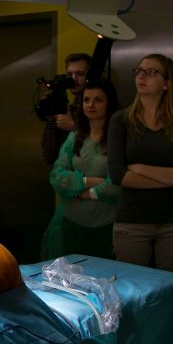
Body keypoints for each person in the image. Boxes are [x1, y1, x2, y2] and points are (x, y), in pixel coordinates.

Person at [107, 54, 173, 273]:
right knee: (133, 286)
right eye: (138, 71)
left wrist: (139, 168)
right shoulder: (121, 120)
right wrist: (172, 175)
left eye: (151, 72)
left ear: (166, 83)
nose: (141, 76)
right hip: (132, 221)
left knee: (172, 286)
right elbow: (119, 175)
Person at [47, 78, 121, 259]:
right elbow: (57, 177)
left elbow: (117, 185)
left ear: (109, 103)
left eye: (98, 100)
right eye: (86, 100)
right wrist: (88, 181)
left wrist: (81, 193)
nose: (91, 105)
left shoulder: (118, 140)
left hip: (106, 226)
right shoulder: (74, 138)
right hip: (70, 225)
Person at [40, 52, 93, 165]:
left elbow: (102, 154)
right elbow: (49, 157)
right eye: (69, 74)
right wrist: (51, 120)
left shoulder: (100, 108)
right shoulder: (68, 109)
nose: (74, 79)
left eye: (80, 74)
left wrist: (73, 128)